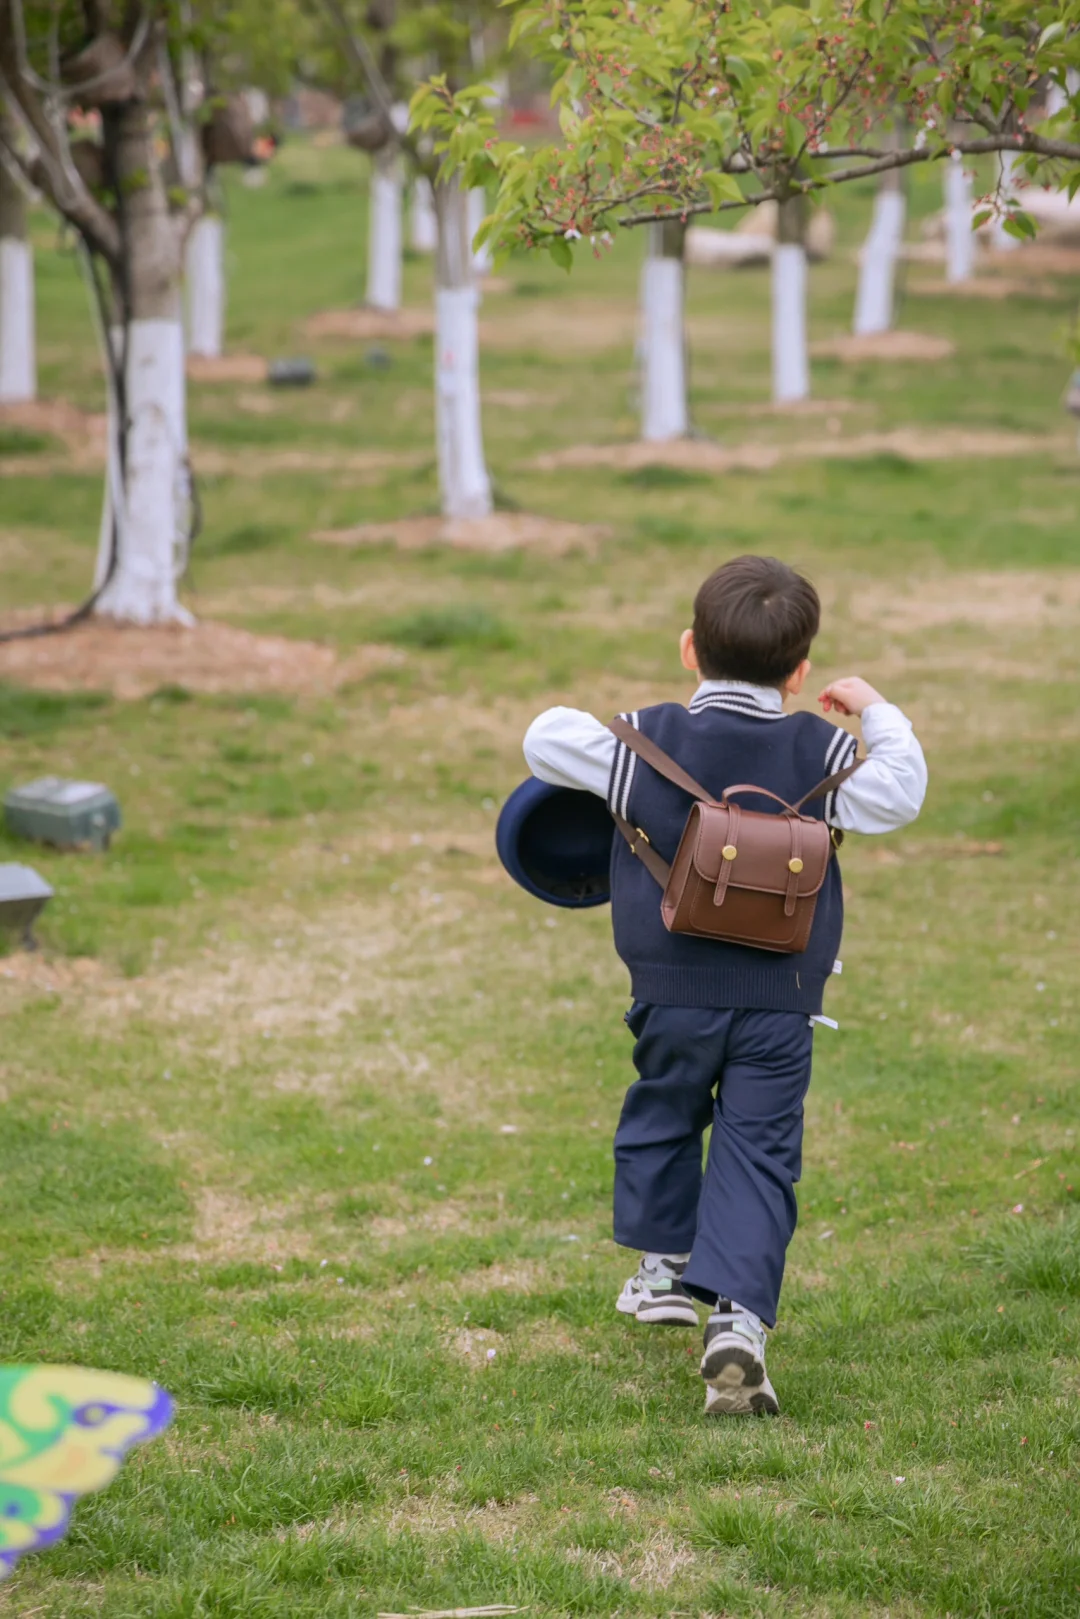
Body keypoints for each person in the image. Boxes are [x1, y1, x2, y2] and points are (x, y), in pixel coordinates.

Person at [522, 555, 927, 1415]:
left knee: (664, 1105)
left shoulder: (642, 740)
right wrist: (877, 712)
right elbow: (903, 792)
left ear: (688, 648)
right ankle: (739, 1324)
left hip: (670, 987)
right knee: (761, 1150)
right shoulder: (822, 749)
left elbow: (543, 737)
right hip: (782, 997)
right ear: (801, 671)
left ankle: (664, 1268)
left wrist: (626, 736)